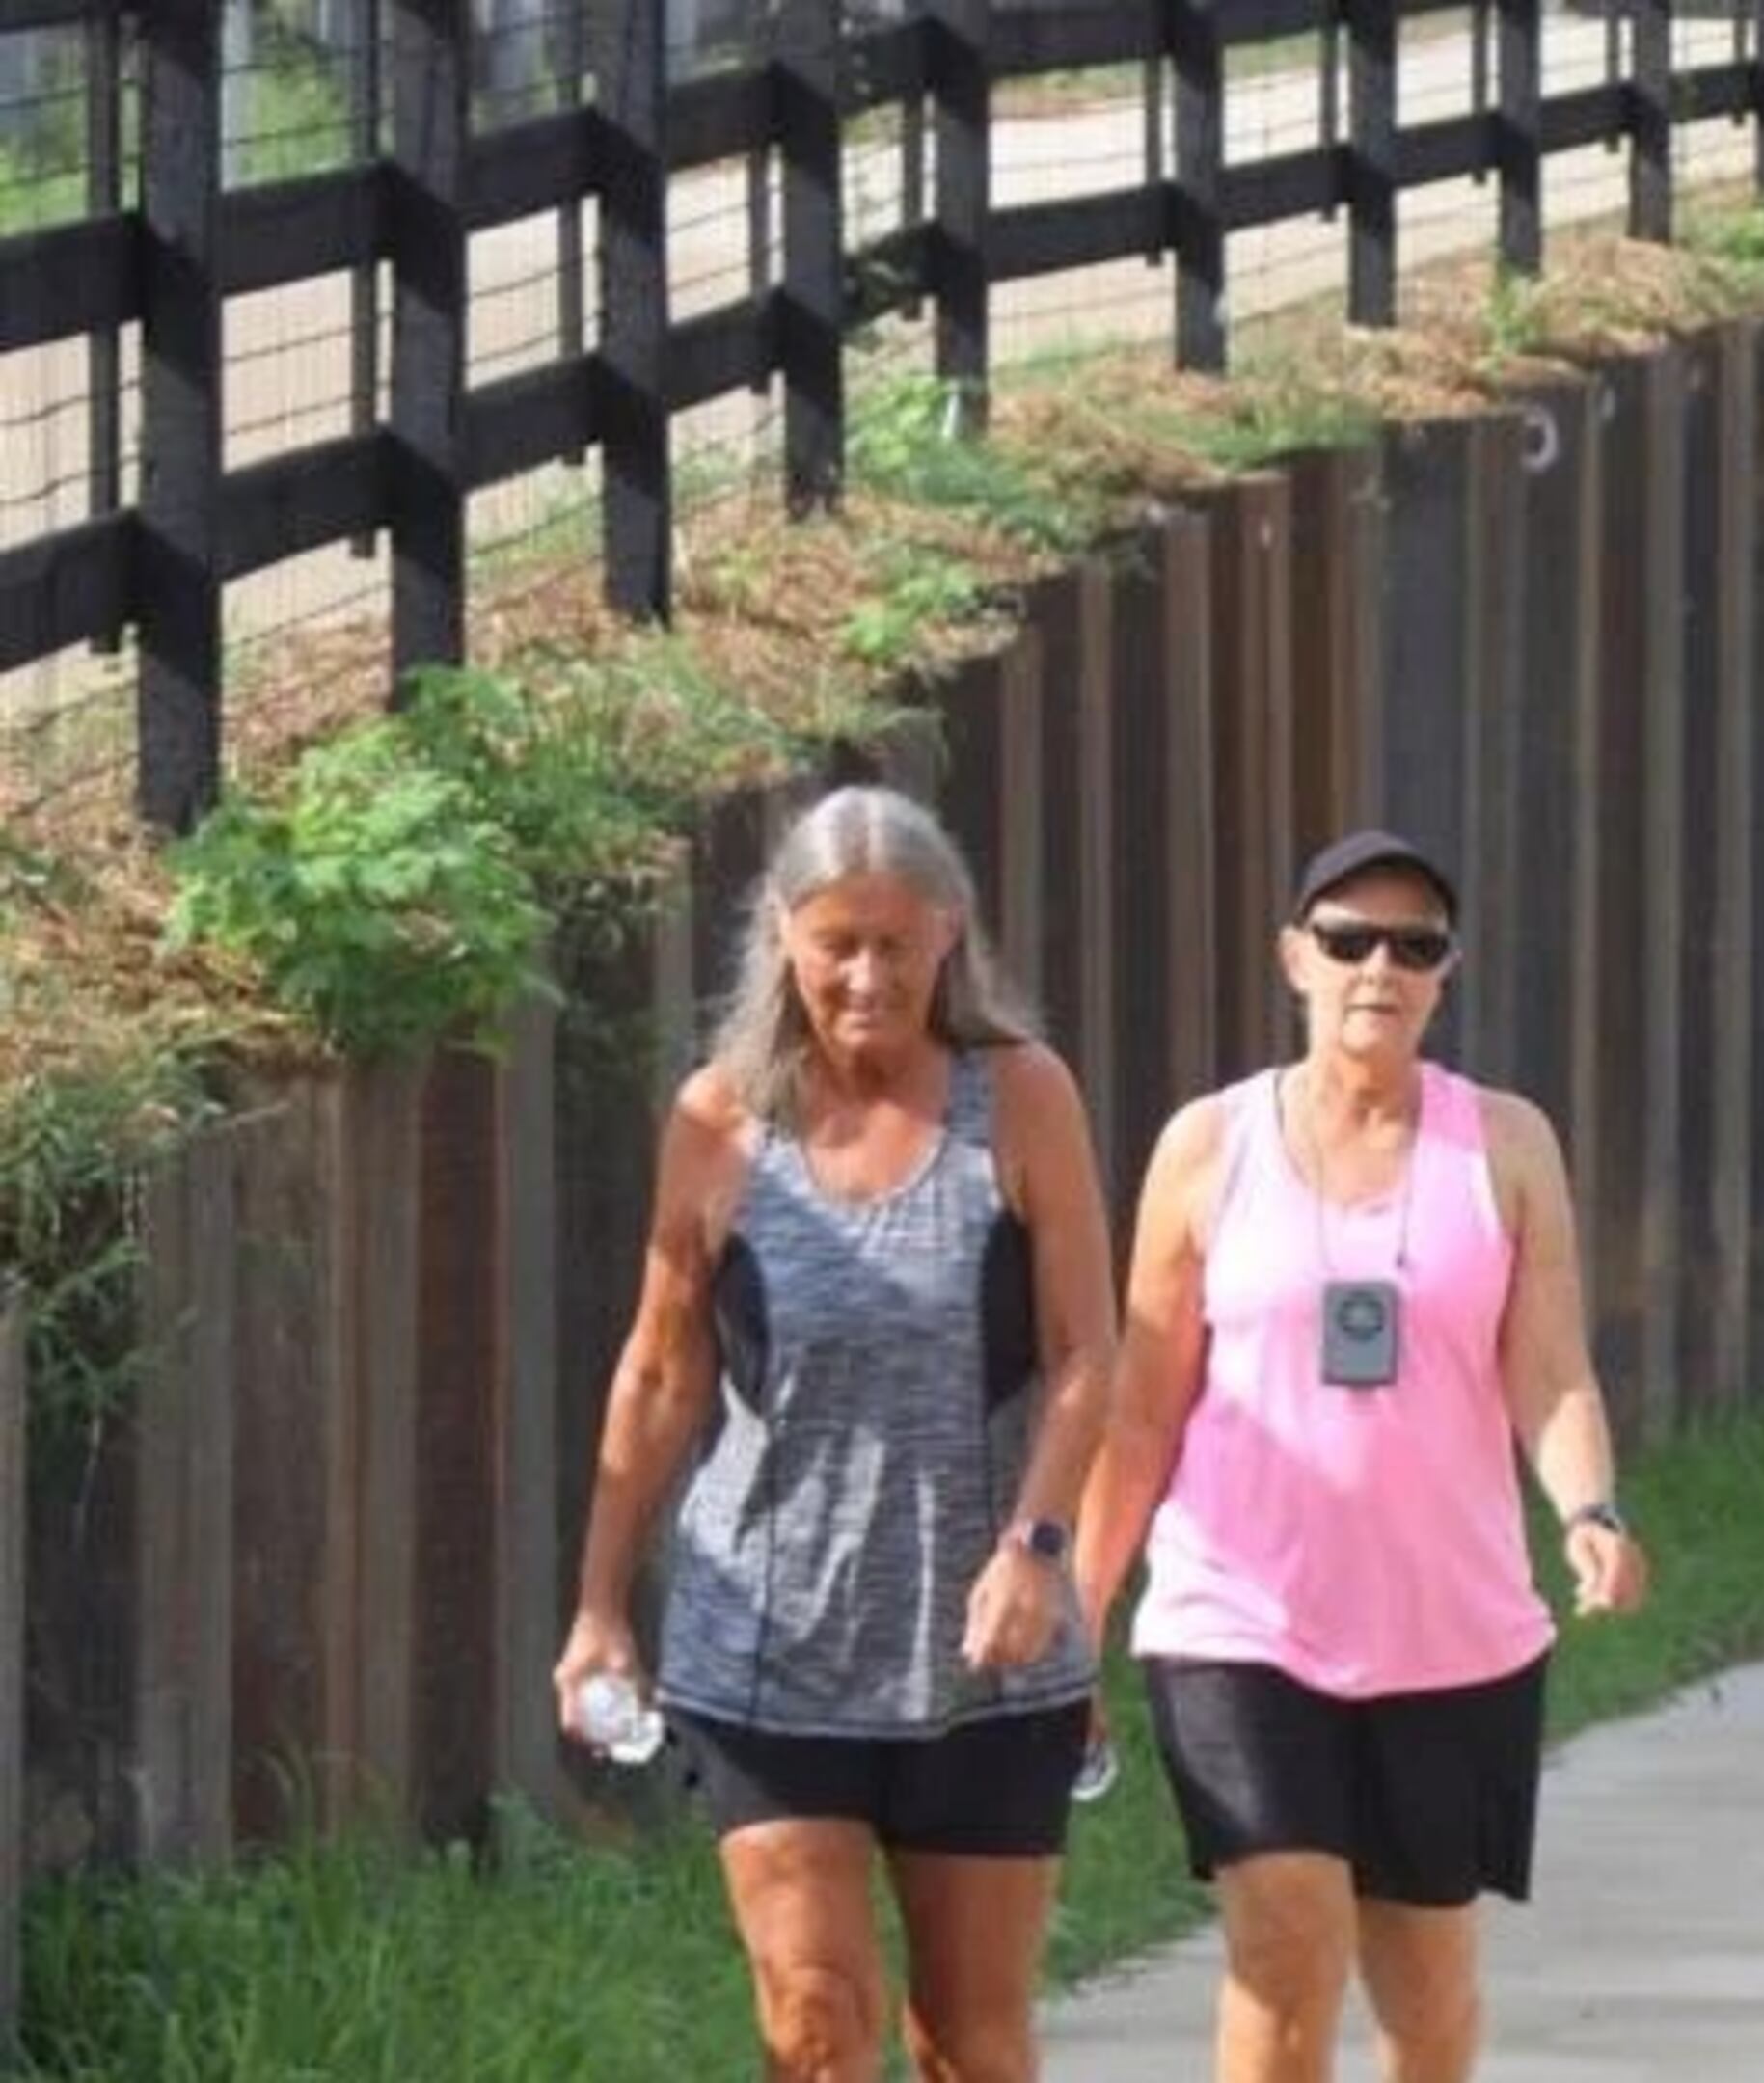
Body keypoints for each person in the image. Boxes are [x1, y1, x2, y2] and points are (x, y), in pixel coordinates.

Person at [555, 784, 1117, 2083]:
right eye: (836, 945)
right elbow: (657, 1371)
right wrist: (599, 1606)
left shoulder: (1020, 1101)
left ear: (949, 938)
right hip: (767, 1649)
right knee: (812, 2024)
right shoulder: (716, 1121)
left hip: (981, 1656)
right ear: (784, 940)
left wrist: (1037, 1546)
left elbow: (1089, 1356)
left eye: (896, 945)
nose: (866, 977)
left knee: (968, 2042)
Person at [1077, 828, 1651, 2083]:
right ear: (1295, 959)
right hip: (1239, 1618)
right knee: (1285, 1944)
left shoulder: (1503, 1145)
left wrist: (1590, 1510)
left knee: (1427, 1996)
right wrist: (1081, 1600)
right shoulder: (1207, 1147)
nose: (1377, 968)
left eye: (1414, 946)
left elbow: (1549, 1367)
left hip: (1450, 1628)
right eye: (1347, 941)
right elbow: (1141, 1404)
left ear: (1445, 973)